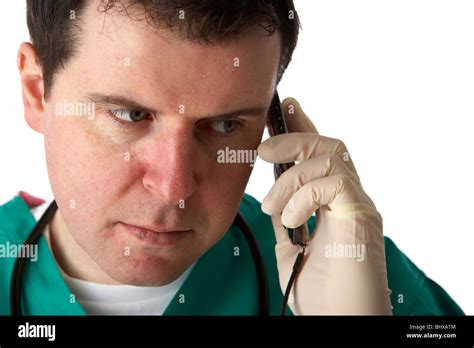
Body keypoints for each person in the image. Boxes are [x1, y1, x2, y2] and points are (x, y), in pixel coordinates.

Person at [0, 0, 464, 315]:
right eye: (130, 114)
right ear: (37, 92)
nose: (174, 186)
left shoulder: (347, 263)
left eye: (224, 126)